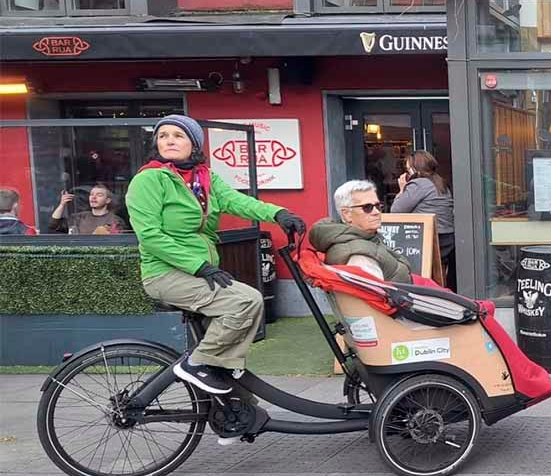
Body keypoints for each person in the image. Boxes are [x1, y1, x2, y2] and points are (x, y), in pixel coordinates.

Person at [127, 115, 307, 395]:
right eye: (163, 136)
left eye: (178, 135)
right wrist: (199, 266)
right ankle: (198, 365)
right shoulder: (149, 179)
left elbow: (237, 201)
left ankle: (232, 401)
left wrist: (278, 213)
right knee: (245, 300)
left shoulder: (204, 177)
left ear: (194, 144)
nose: (169, 140)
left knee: (243, 313)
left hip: (198, 272)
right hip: (165, 274)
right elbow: (150, 236)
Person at [312, 179, 413, 283]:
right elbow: (374, 292)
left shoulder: (365, 238)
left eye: (378, 206)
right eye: (367, 207)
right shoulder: (360, 258)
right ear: (347, 214)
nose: (376, 212)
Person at [390, 150, 455, 290]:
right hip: (447, 239)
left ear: (415, 169)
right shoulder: (440, 182)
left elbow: (395, 211)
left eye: (408, 169)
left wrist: (401, 190)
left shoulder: (418, 185)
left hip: (431, 240)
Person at [49, 183, 128, 234]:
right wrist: (62, 204)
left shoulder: (115, 220)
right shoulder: (78, 217)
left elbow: (118, 243)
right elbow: (53, 225)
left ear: (108, 200)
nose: (93, 197)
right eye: (91, 194)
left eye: (99, 195)